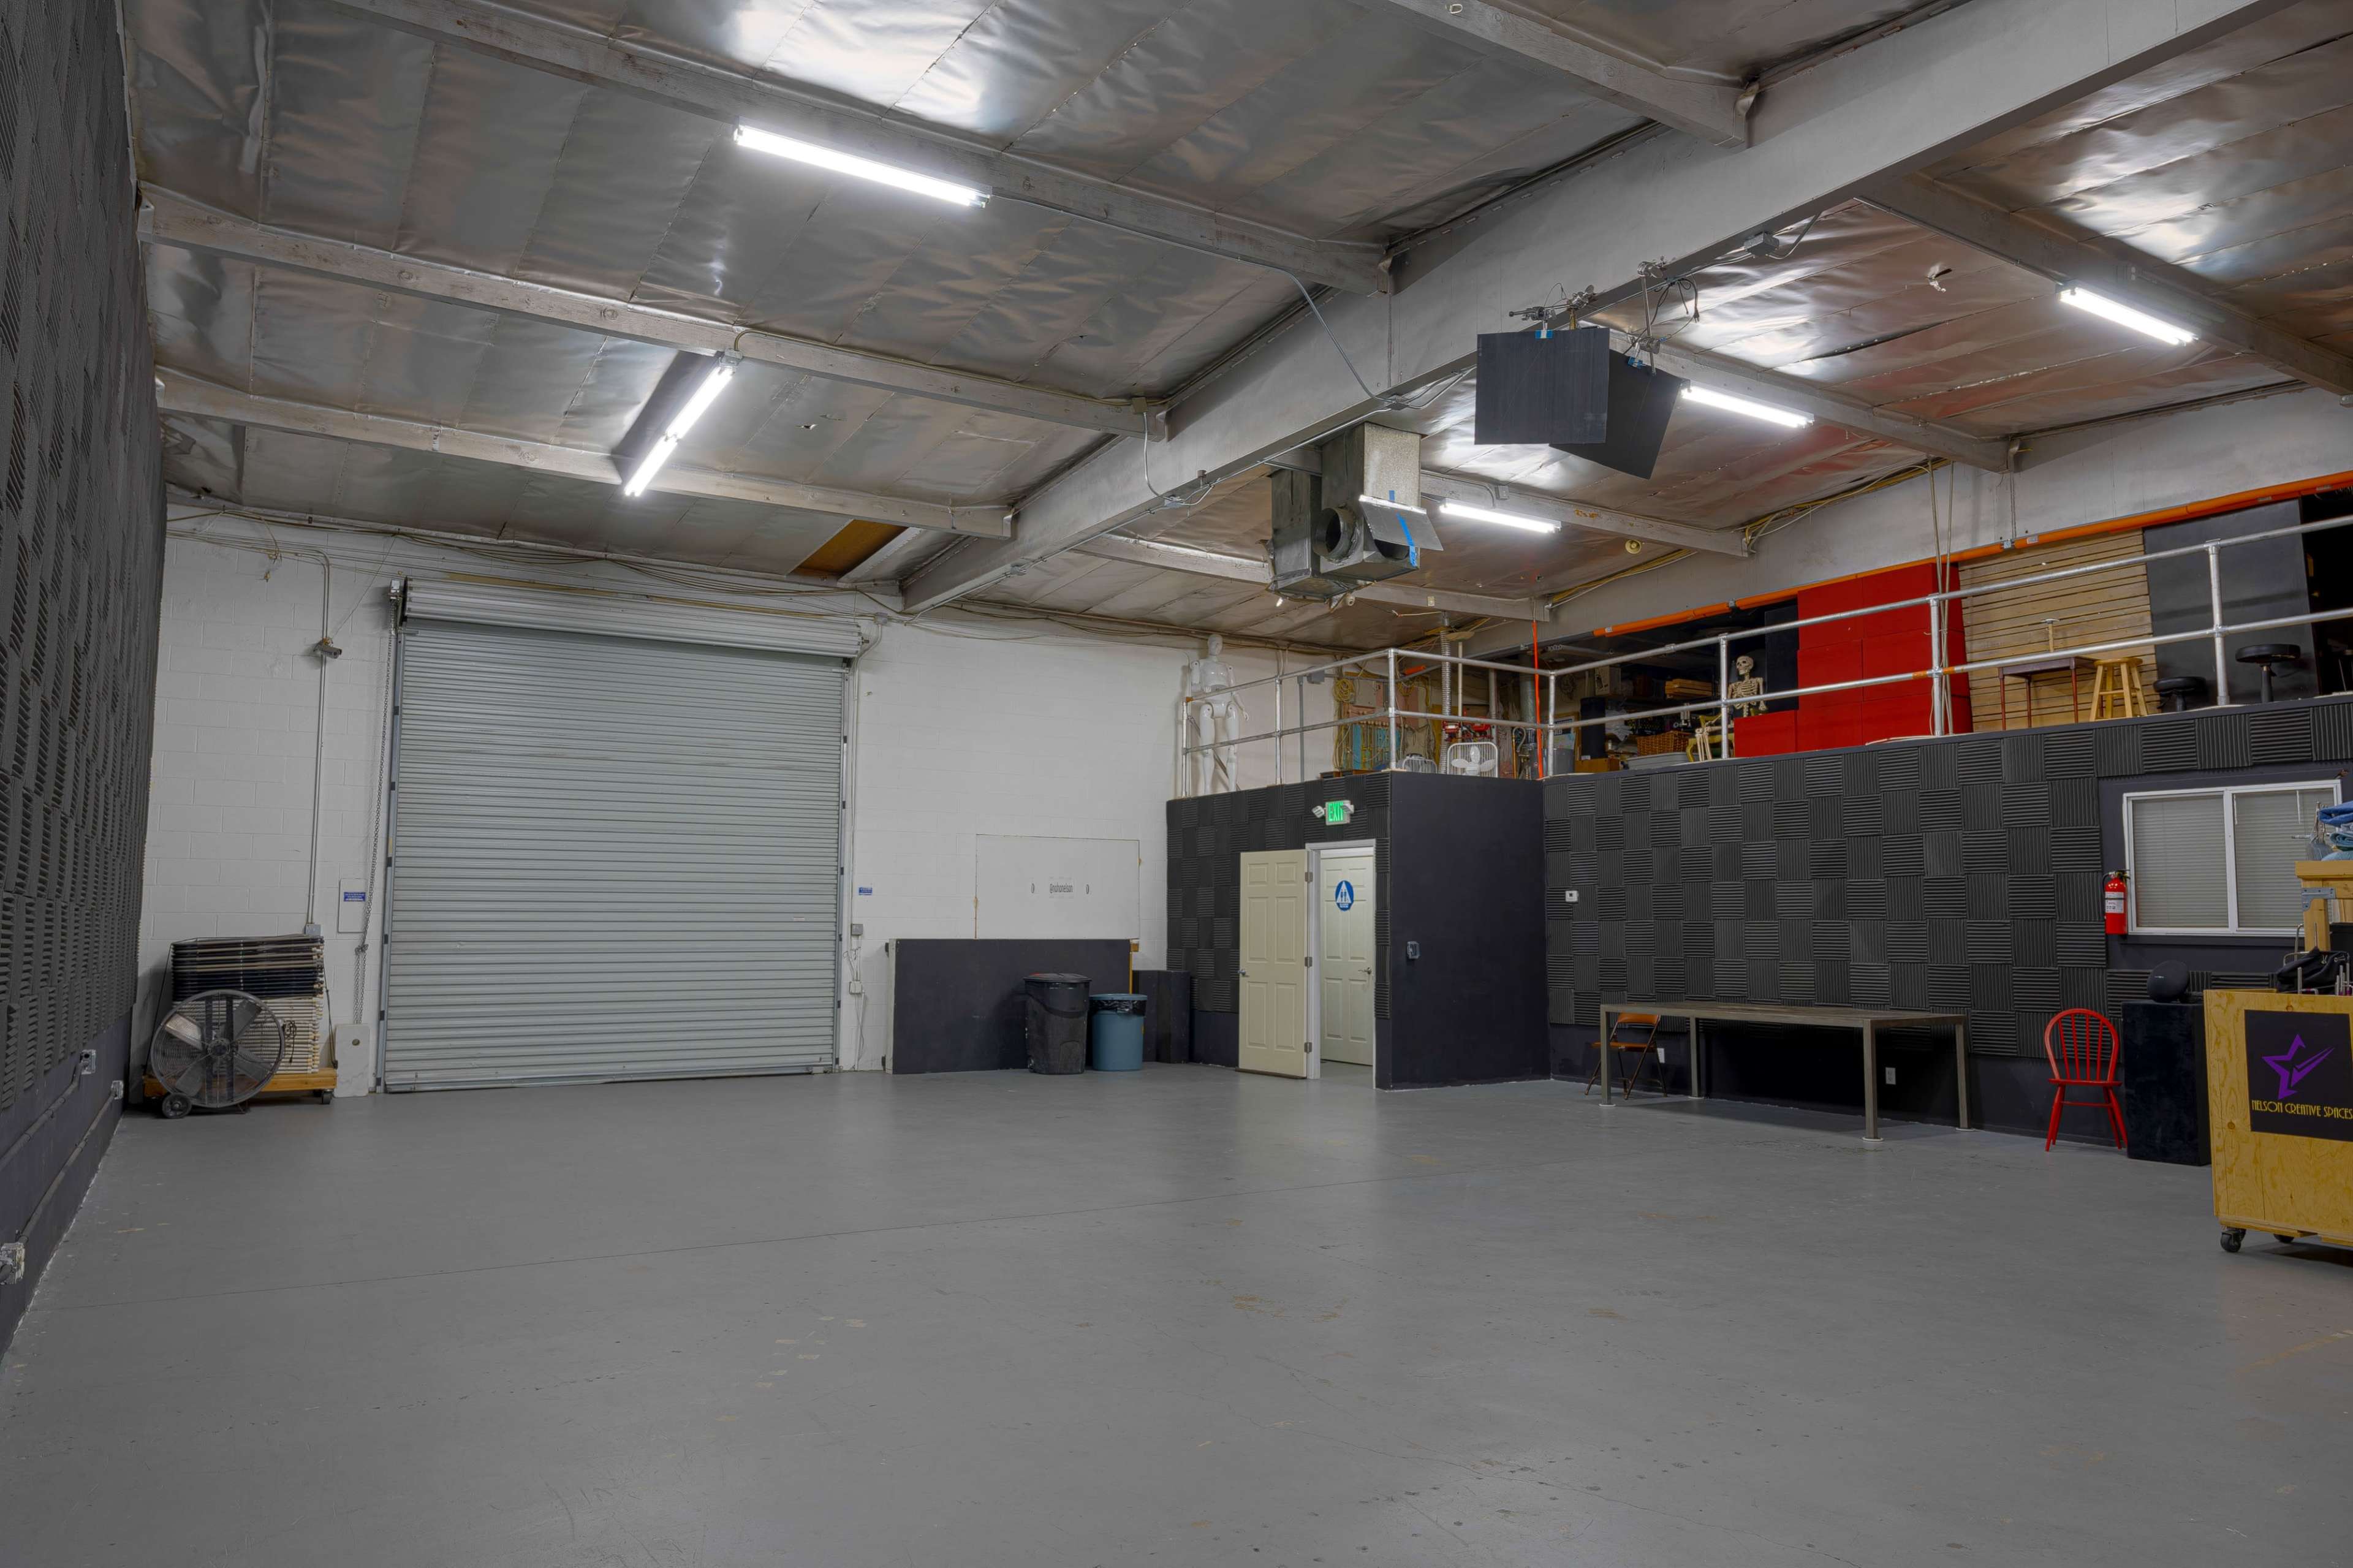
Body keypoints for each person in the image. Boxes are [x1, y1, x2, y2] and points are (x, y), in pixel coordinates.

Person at [1184, 634, 1241, 793]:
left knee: (1234, 749)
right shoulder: (1199, 664)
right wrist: (1203, 689)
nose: (1217, 647)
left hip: (1228, 704)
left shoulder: (1227, 667)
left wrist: (1243, 708)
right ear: (1208, 644)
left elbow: (1235, 690)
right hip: (1210, 704)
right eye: (1215, 644)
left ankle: (1232, 789)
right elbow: (1194, 687)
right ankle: (1207, 789)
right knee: (1207, 749)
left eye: (1220, 644)